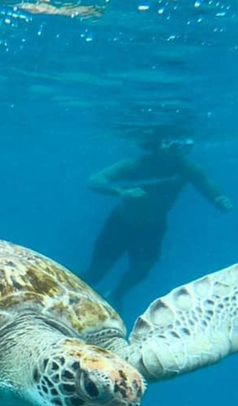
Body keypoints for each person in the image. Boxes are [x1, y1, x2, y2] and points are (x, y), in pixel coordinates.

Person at [82, 134, 233, 312]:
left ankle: (116, 295)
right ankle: (73, 297)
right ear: (156, 146)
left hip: (153, 228)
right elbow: (94, 180)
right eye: (171, 147)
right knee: (96, 272)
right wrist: (120, 192)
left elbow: (205, 183)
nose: (176, 152)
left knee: (142, 269)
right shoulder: (136, 165)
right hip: (121, 224)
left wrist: (219, 198)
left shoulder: (186, 168)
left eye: (181, 148)